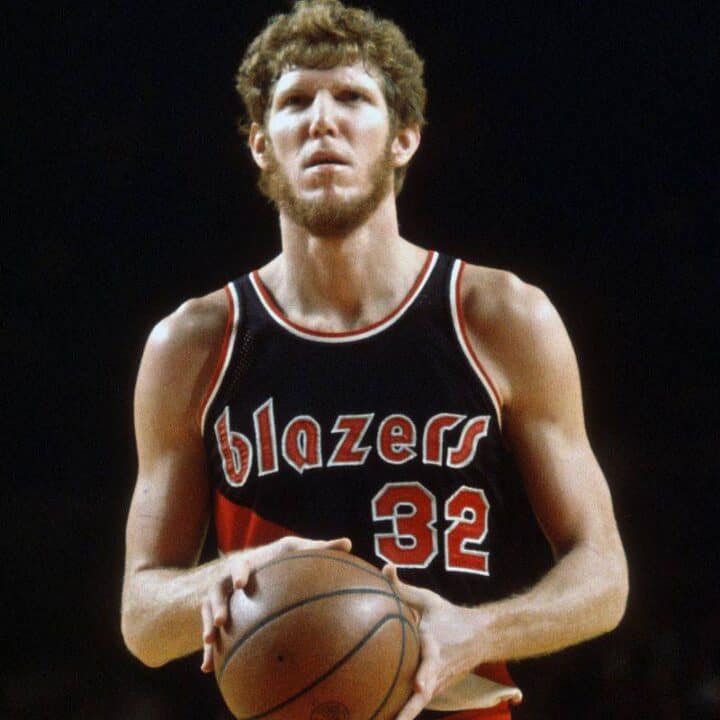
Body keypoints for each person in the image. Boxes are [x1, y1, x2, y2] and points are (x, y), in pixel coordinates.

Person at [121, 1, 628, 718]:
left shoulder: (499, 317)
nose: (322, 120)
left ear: (404, 138)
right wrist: (230, 576)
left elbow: (603, 576)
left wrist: (480, 631)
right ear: (261, 144)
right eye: (296, 101)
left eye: (352, 97)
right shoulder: (196, 342)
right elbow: (141, 618)